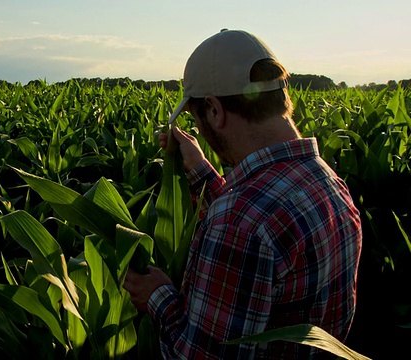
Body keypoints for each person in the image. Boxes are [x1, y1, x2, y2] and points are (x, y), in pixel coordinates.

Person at [122, 29, 362, 359]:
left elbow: (198, 356)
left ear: (214, 109)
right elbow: (264, 225)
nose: (201, 131)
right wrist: (202, 172)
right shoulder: (330, 183)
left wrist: (158, 296)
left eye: (197, 118)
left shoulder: (238, 223)